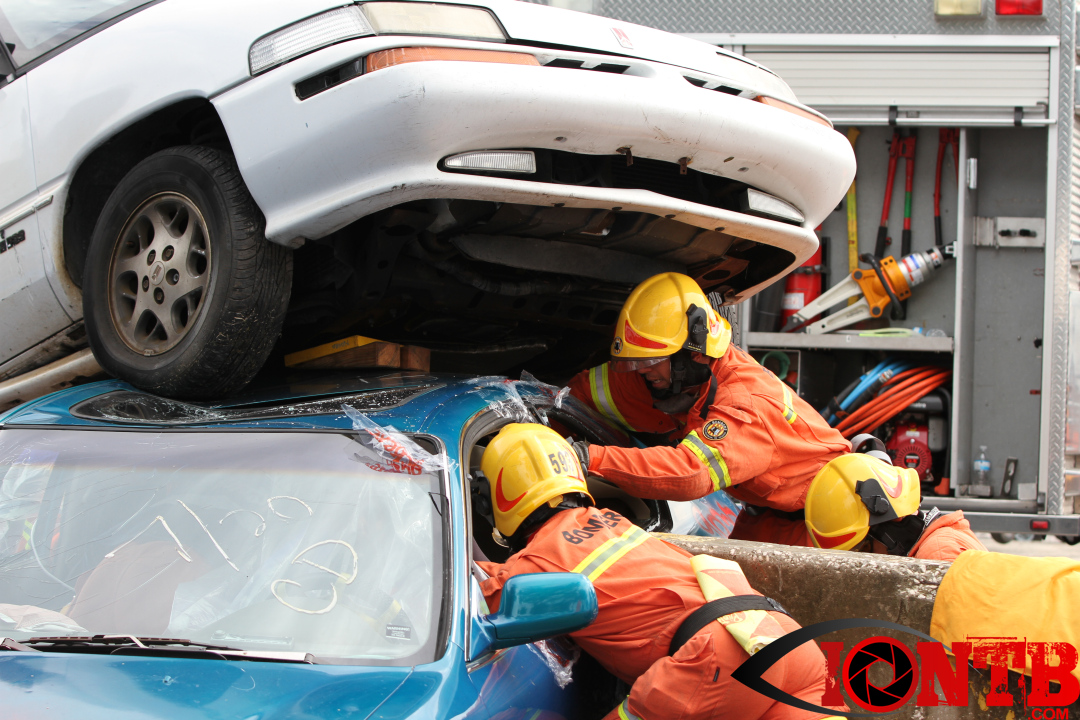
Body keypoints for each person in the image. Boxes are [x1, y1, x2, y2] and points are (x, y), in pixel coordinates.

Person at [476, 423, 843, 720]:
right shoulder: (613, 520)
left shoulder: (535, 563)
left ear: (495, 498)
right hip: (787, 639)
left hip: (714, 661)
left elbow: (466, 594)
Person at [566, 272, 850, 543]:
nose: (641, 370)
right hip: (767, 512)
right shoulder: (671, 375)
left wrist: (587, 458)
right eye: (636, 361)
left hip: (832, 519)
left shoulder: (745, 403)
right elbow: (580, 394)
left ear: (694, 353)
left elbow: (691, 472)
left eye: (650, 362)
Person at [802, 445, 985, 561]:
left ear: (893, 523)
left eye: (864, 549)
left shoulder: (938, 555)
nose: (865, 562)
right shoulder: (936, 546)